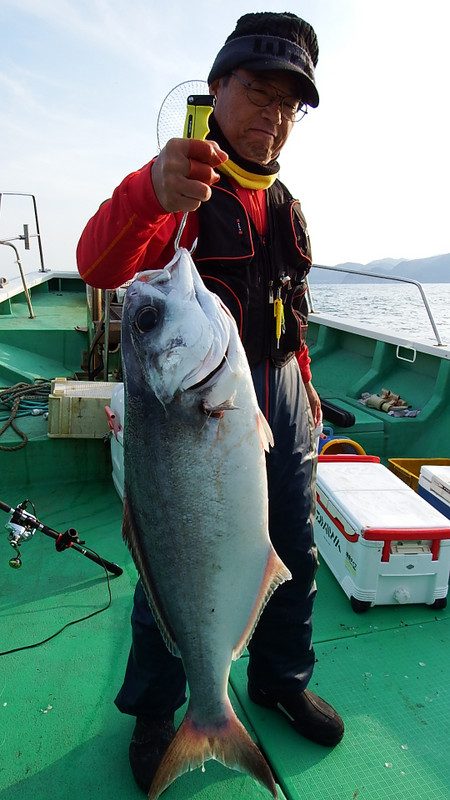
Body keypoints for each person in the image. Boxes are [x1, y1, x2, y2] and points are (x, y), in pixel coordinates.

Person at [77, 11, 344, 793]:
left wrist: (305, 381)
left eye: (289, 105)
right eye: (259, 92)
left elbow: (290, 308)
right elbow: (100, 264)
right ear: (217, 86)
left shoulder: (284, 205)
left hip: (278, 393)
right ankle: (162, 712)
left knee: (291, 549)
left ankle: (280, 679)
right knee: (177, 555)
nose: (274, 116)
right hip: (197, 398)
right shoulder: (179, 186)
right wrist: (149, 193)